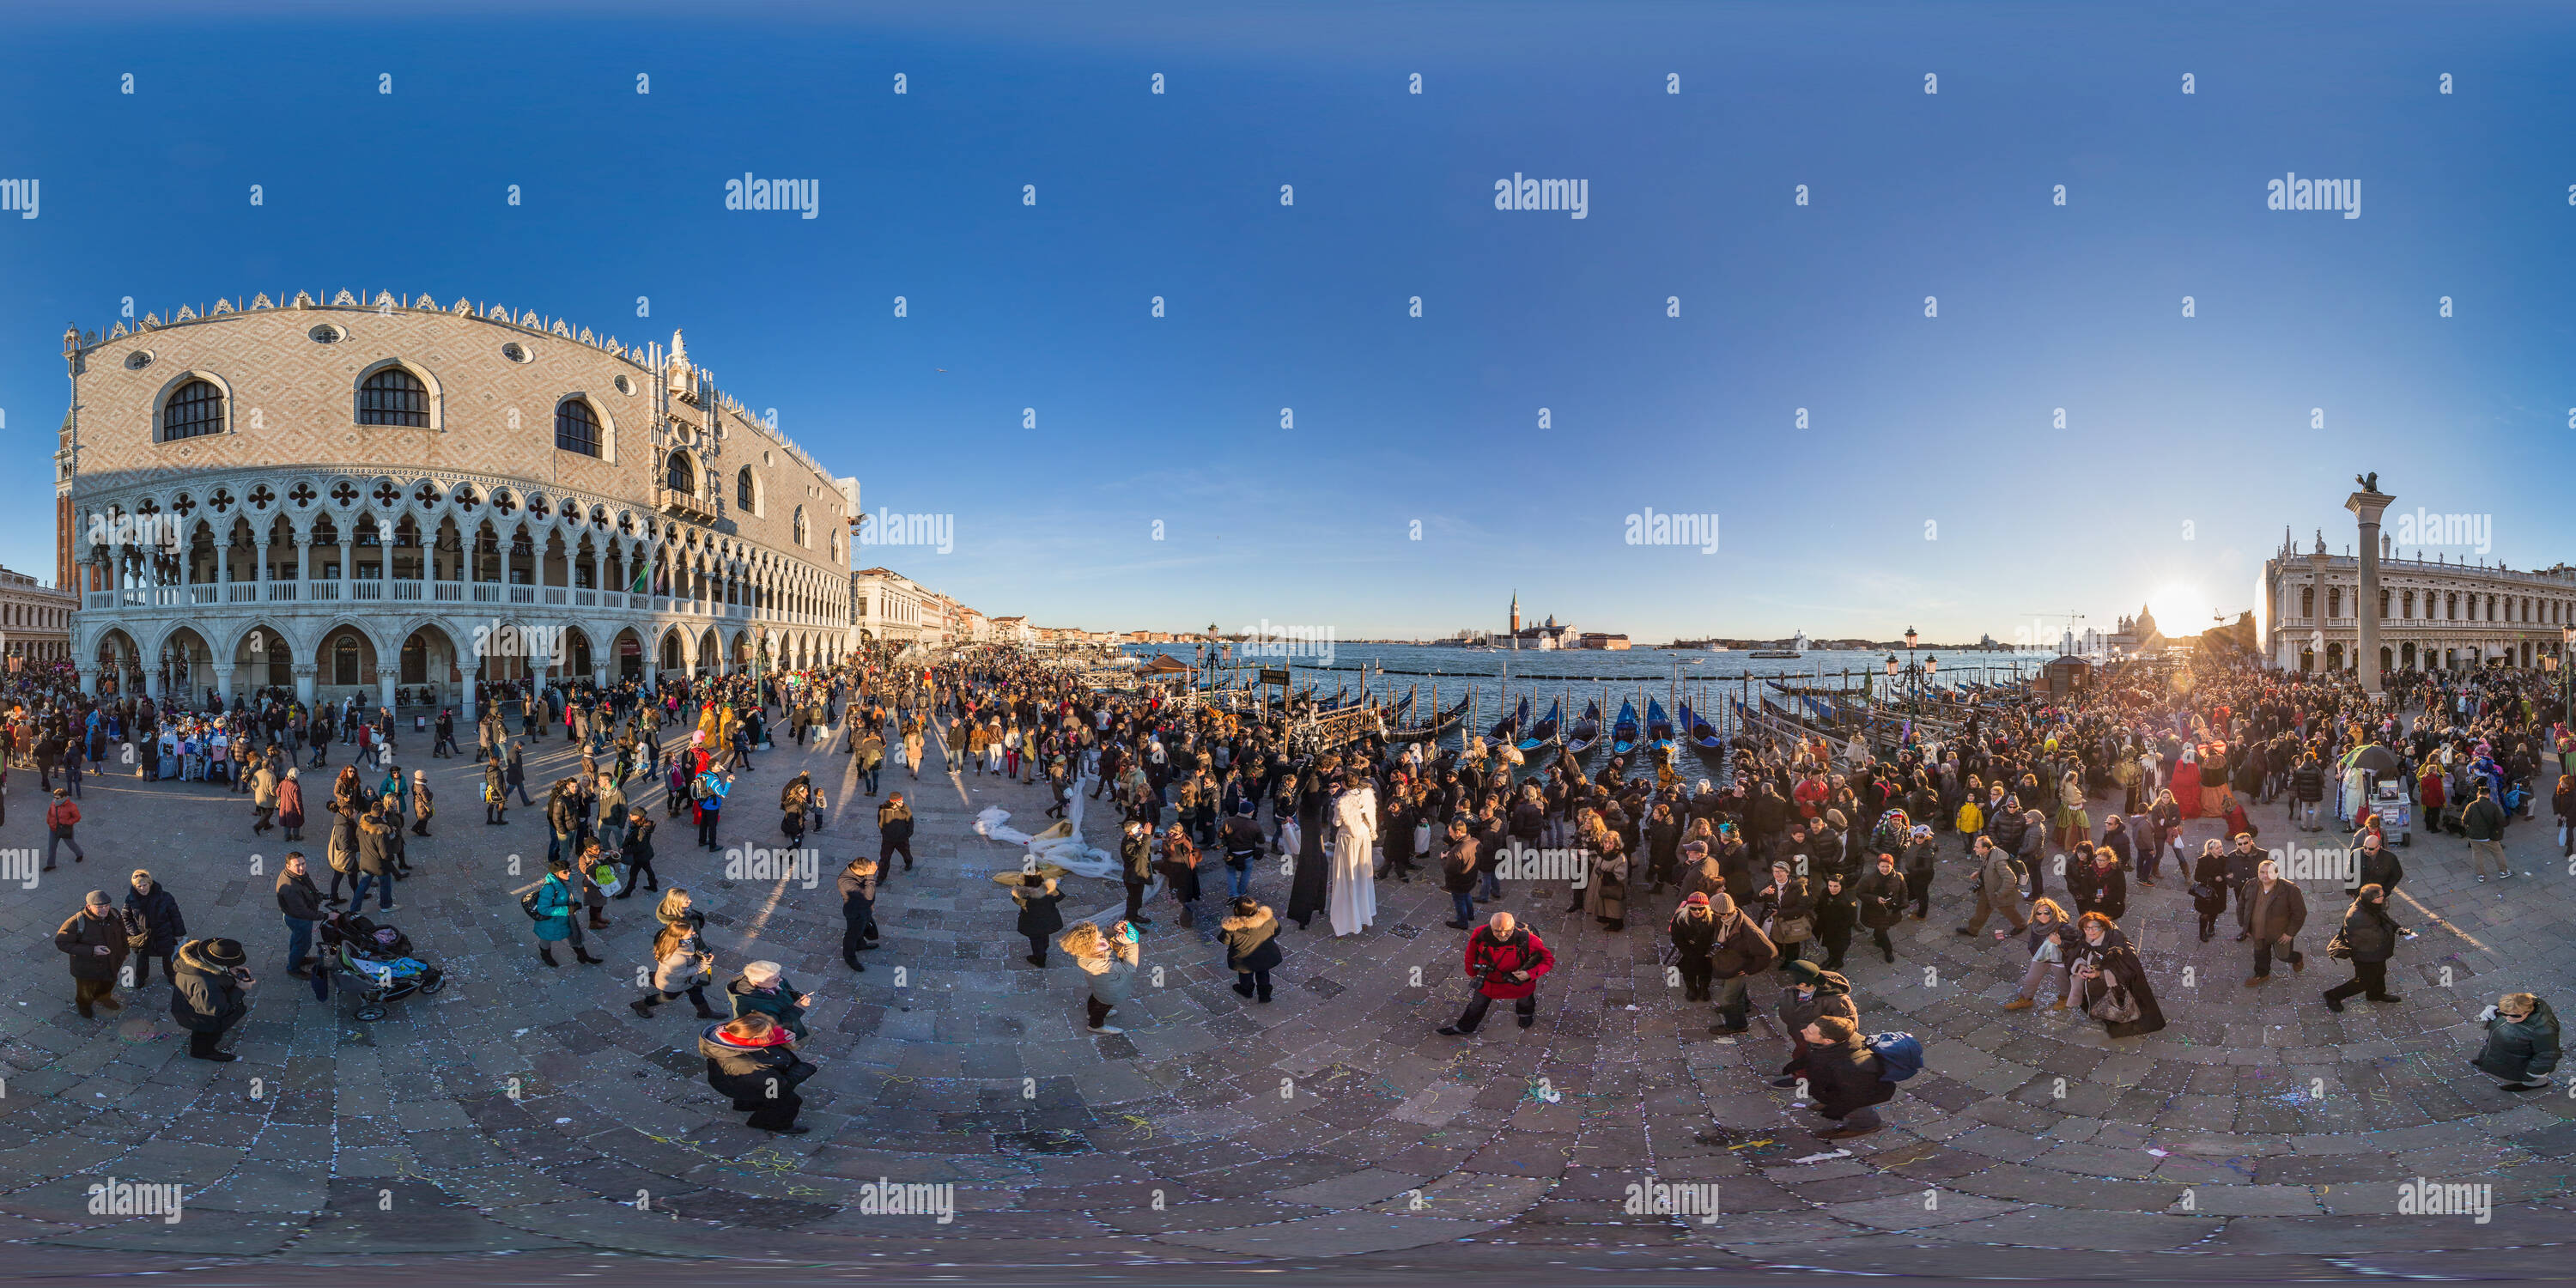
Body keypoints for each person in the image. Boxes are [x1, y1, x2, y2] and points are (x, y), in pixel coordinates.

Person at [1437, 911, 1555, 1036]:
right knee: (1477, 1005)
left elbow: (1548, 960)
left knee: (1525, 1000)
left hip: (1517, 980)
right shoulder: (1480, 933)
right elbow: (1470, 954)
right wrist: (1471, 972)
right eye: (1497, 931)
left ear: (1513, 927)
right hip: (1489, 980)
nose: (1502, 935)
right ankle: (1464, 1028)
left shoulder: (1529, 939)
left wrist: (1530, 974)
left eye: (1507, 931)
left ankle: (1525, 1014)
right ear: (1490, 927)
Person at [701, 1012, 816, 1133]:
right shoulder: (746, 1065)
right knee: (788, 1101)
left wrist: (781, 1035)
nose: (772, 1035)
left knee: (753, 1092)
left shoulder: (731, 1035)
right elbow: (778, 1086)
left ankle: (745, 1105)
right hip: (742, 1083)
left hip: (733, 1080)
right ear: (753, 1039)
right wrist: (804, 1069)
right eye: (768, 1034)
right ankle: (770, 1123)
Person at [2068, 912, 2166, 1036]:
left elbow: (2128, 969)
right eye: (2087, 928)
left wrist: (2100, 974)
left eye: (2095, 927)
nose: (2091, 931)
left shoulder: (2116, 944)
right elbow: (2077, 954)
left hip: (2113, 990)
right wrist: (2080, 966)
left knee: (2116, 1017)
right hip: (2093, 988)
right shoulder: (2084, 938)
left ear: (2103, 927)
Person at [1801, 1014, 1897, 1140]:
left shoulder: (1848, 1066)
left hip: (1858, 1091)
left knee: (1855, 1107)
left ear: (1828, 1041)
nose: (1803, 1031)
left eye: (1809, 1032)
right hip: (1843, 1081)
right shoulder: (1841, 1040)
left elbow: (1853, 1095)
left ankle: (1866, 1126)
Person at [1769, 959, 1858, 1087]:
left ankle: (1802, 1079)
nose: (1788, 988)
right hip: (1798, 1031)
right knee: (1802, 1054)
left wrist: (1827, 1042)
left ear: (1804, 984)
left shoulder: (1837, 1000)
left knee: (1804, 1057)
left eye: (1792, 985)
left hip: (1816, 1038)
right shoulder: (1794, 989)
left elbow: (1848, 1025)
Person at [1698, 891, 1777, 1035]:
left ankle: (1737, 1025)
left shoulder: (1750, 931)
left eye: (1714, 912)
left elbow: (1770, 952)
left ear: (1724, 913)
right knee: (1735, 989)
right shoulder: (1725, 919)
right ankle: (1744, 1006)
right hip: (1728, 962)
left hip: (1738, 966)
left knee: (1729, 997)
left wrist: (1750, 969)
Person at [2320, 882, 2407, 1012]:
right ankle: (2333, 995)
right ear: (2370, 899)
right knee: (2363, 981)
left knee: (2380, 972)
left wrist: (2398, 928)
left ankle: (2375, 994)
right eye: (2381, 896)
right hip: (2365, 954)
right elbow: (2379, 936)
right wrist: (2393, 929)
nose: (2384, 897)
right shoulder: (2358, 917)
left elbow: (2384, 918)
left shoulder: (2370, 906)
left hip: (2376, 952)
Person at [168, 938, 252, 1061]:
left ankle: (199, 1042)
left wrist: (227, 970)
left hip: (189, 1005)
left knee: (201, 1032)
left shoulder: (194, 958)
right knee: (209, 1033)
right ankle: (203, 1052)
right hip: (200, 1015)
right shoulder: (207, 983)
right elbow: (217, 1009)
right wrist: (240, 988)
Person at [57, 890, 134, 1018]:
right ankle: (84, 1006)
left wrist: (125, 951)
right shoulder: (76, 922)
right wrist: (92, 951)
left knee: (108, 983)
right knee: (85, 992)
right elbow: (61, 942)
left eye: (107, 906)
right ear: (89, 907)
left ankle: (104, 998)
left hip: (111, 962)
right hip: (87, 967)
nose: (105, 910)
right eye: (100, 907)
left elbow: (122, 934)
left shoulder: (114, 915)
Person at [631, 918, 722, 1018]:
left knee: (696, 992)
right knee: (666, 998)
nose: (694, 933)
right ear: (679, 937)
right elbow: (683, 973)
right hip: (675, 983)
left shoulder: (675, 940)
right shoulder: (676, 957)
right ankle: (639, 1005)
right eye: (690, 933)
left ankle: (705, 1013)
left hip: (685, 979)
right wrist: (705, 964)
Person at [1062, 920, 1139, 1035]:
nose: (1101, 936)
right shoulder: (1095, 963)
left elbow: (1105, 937)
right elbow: (1129, 968)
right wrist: (1131, 944)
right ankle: (1095, 1025)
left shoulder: (1084, 950)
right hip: (1110, 989)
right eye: (1098, 937)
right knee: (1104, 1005)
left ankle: (1091, 1013)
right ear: (1090, 944)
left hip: (1099, 985)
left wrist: (1113, 929)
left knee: (1096, 997)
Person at [2471, 993, 2561, 1091]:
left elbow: (2547, 1055)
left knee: (2532, 1076)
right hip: (2506, 1046)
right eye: (2504, 1014)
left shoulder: (2543, 1030)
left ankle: (2534, 1084)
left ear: (2527, 1012)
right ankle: (2487, 1061)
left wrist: (2534, 1074)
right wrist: (2492, 1009)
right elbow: (2509, 1003)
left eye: (2516, 1016)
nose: (2509, 1019)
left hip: (2521, 1056)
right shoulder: (2516, 1008)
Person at [2001, 897, 2076, 1011]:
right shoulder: (2036, 925)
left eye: (2047, 912)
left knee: (2062, 981)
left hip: (2059, 958)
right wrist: (2033, 951)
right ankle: (2026, 999)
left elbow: (2076, 945)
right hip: (2042, 955)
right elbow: (2033, 941)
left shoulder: (2064, 928)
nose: (2043, 916)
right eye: (2039, 913)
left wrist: (2060, 943)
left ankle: (2064, 998)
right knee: (2031, 979)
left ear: (2053, 912)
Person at [2243, 857, 2306, 987]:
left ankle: (2297, 958)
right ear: (2258, 872)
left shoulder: (2290, 889)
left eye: (2269, 872)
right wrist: (2245, 927)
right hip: (2258, 931)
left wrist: (2290, 933)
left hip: (2279, 933)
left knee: (2284, 956)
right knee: (2260, 955)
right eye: (2262, 872)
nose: (2265, 875)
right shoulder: (2251, 884)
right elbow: (2242, 906)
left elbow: (2300, 914)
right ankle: (2262, 974)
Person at [527, 857, 600, 967]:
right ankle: (546, 956)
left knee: (574, 935)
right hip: (550, 922)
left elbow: (568, 897)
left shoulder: (565, 882)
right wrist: (567, 910)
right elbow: (543, 909)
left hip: (566, 918)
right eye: (565, 872)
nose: (569, 873)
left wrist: (575, 903)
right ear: (557, 874)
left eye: (569, 870)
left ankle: (583, 956)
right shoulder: (549, 888)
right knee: (546, 939)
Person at [123, 870, 186, 987]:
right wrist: (135, 933)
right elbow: (126, 917)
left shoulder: (165, 897)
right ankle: (141, 977)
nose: (142, 888)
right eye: (139, 886)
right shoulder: (131, 899)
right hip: (143, 936)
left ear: (150, 883)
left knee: (168, 956)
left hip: (164, 933)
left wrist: (179, 932)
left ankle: (171, 974)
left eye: (144, 885)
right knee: (142, 958)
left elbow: (175, 915)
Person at [1956, 835, 2027, 937]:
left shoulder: (1999, 862)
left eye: (1977, 847)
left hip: (1999, 892)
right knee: (1981, 910)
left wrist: (2000, 894)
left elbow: (2011, 879)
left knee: (2009, 911)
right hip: (1988, 889)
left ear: (1985, 849)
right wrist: (1979, 872)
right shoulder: (1987, 854)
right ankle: (1972, 930)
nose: (1974, 849)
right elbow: (1986, 865)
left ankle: (2021, 925)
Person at [726, 960, 812, 1039]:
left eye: (780, 975)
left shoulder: (771, 981)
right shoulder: (747, 1005)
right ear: (757, 982)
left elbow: (787, 988)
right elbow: (771, 1027)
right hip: (784, 1032)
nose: (780, 979)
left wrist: (797, 996)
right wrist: (797, 1008)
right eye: (775, 979)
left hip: (791, 1018)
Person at [1219, 896, 1283, 1002]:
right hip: (1265, 955)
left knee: (1245, 976)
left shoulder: (1232, 927)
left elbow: (1224, 940)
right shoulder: (1268, 919)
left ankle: (1246, 990)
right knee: (1263, 973)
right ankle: (1264, 996)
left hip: (1244, 960)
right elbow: (1277, 930)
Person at [276, 852, 325, 980]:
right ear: (288, 866)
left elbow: (307, 884)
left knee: (297, 939)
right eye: (297, 865)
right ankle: (293, 968)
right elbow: (302, 912)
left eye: (303, 864)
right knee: (303, 944)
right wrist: (324, 916)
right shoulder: (290, 887)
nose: (301, 868)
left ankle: (299, 958)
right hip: (299, 919)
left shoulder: (296, 874)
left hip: (295, 917)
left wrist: (316, 895)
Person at [836, 856, 880, 972]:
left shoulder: (857, 868)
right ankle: (849, 957)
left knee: (861, 929)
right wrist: (870, 876)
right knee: (852, 935)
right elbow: (868, 896)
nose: (870, 873)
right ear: (860, 871)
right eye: (866, 872)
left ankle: (860, 945)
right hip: (855, 912)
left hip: (864, 910)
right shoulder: (845, 882)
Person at [1012, 873, 1066, 966]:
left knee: (1036, 941)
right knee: (1044, 935)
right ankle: (1044, 948)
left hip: (1032, 923)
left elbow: (1016, 900)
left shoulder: (1023, 894)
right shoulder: (1049, 890)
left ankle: (1039, 959)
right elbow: (1060, 896)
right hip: (1048, 920)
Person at [1439, 817, 1480, 929]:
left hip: (1459, 882)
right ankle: (1470, 915)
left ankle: (1462, 922)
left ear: (1458, 833)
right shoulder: (1475, 841)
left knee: (1459, 901)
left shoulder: (1456, 851)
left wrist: (1444, 858)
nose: (1450, 835)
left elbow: (1449, 870)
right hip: (1470, 878)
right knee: (1467, 895)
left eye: (1451, 832)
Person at [2463, 783, 2510, 882]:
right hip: (2489, 836)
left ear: (2478, 795)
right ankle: (2503, 872)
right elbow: (2501, 821)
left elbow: (2464, 820)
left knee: (2477, 854)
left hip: (2474, 836)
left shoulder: (2471, 805)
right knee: (2497, 852)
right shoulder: (2493, 806)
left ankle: (2481, 875)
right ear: (2488, 795)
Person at [2188, 839, 2231, 943]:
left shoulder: (2225, 860)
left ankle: (2211, 927)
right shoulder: (2203, 860)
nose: (2220, 849)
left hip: (2220, 891)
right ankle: (2202, 932)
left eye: (2221, 847)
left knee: (2215, 911)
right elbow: (2197, 877)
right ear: (2210, 850)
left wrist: (2226, 877)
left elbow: (2228, 873)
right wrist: (2212, 879)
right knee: (2205, 913)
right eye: (2217, 848)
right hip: (2206, 891)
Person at [619, 809, 659, 896]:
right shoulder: (635, 825)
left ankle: (628, 892)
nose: (630, 816)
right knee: (648, 869)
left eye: (632, 815)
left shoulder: (641, 830)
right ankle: (653, 886)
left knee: (633, 873)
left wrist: (625, 850)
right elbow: (629, 837)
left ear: (639, 817)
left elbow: (640, 846)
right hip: (644, 854)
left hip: (641, 856)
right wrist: (624, 845)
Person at [43, 787, 83, 871]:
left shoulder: (71, 806)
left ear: (64, 797)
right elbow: (50, 813)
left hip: (65, 829)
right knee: (52, 847)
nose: (55, 799)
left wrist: (67, 822)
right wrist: (49, 821)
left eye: (57, 798)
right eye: (54, 797)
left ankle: (79, 854)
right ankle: (51, 865)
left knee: (71, 844)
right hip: (53, 828)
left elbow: (77, 817)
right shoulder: (53, 804)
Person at [878, 792, 915, 872]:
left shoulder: (905, 808)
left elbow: (910, 821)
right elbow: (880, 822)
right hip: (888, 839)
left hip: (902, 838)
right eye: (900, 801)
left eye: (902, 800)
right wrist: (885, 832)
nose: (902, 802)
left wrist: (908, 834)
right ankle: (881, 877)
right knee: (884, 859)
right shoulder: (883, 809)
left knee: (906, 854)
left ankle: (909, 862)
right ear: (893, 802)